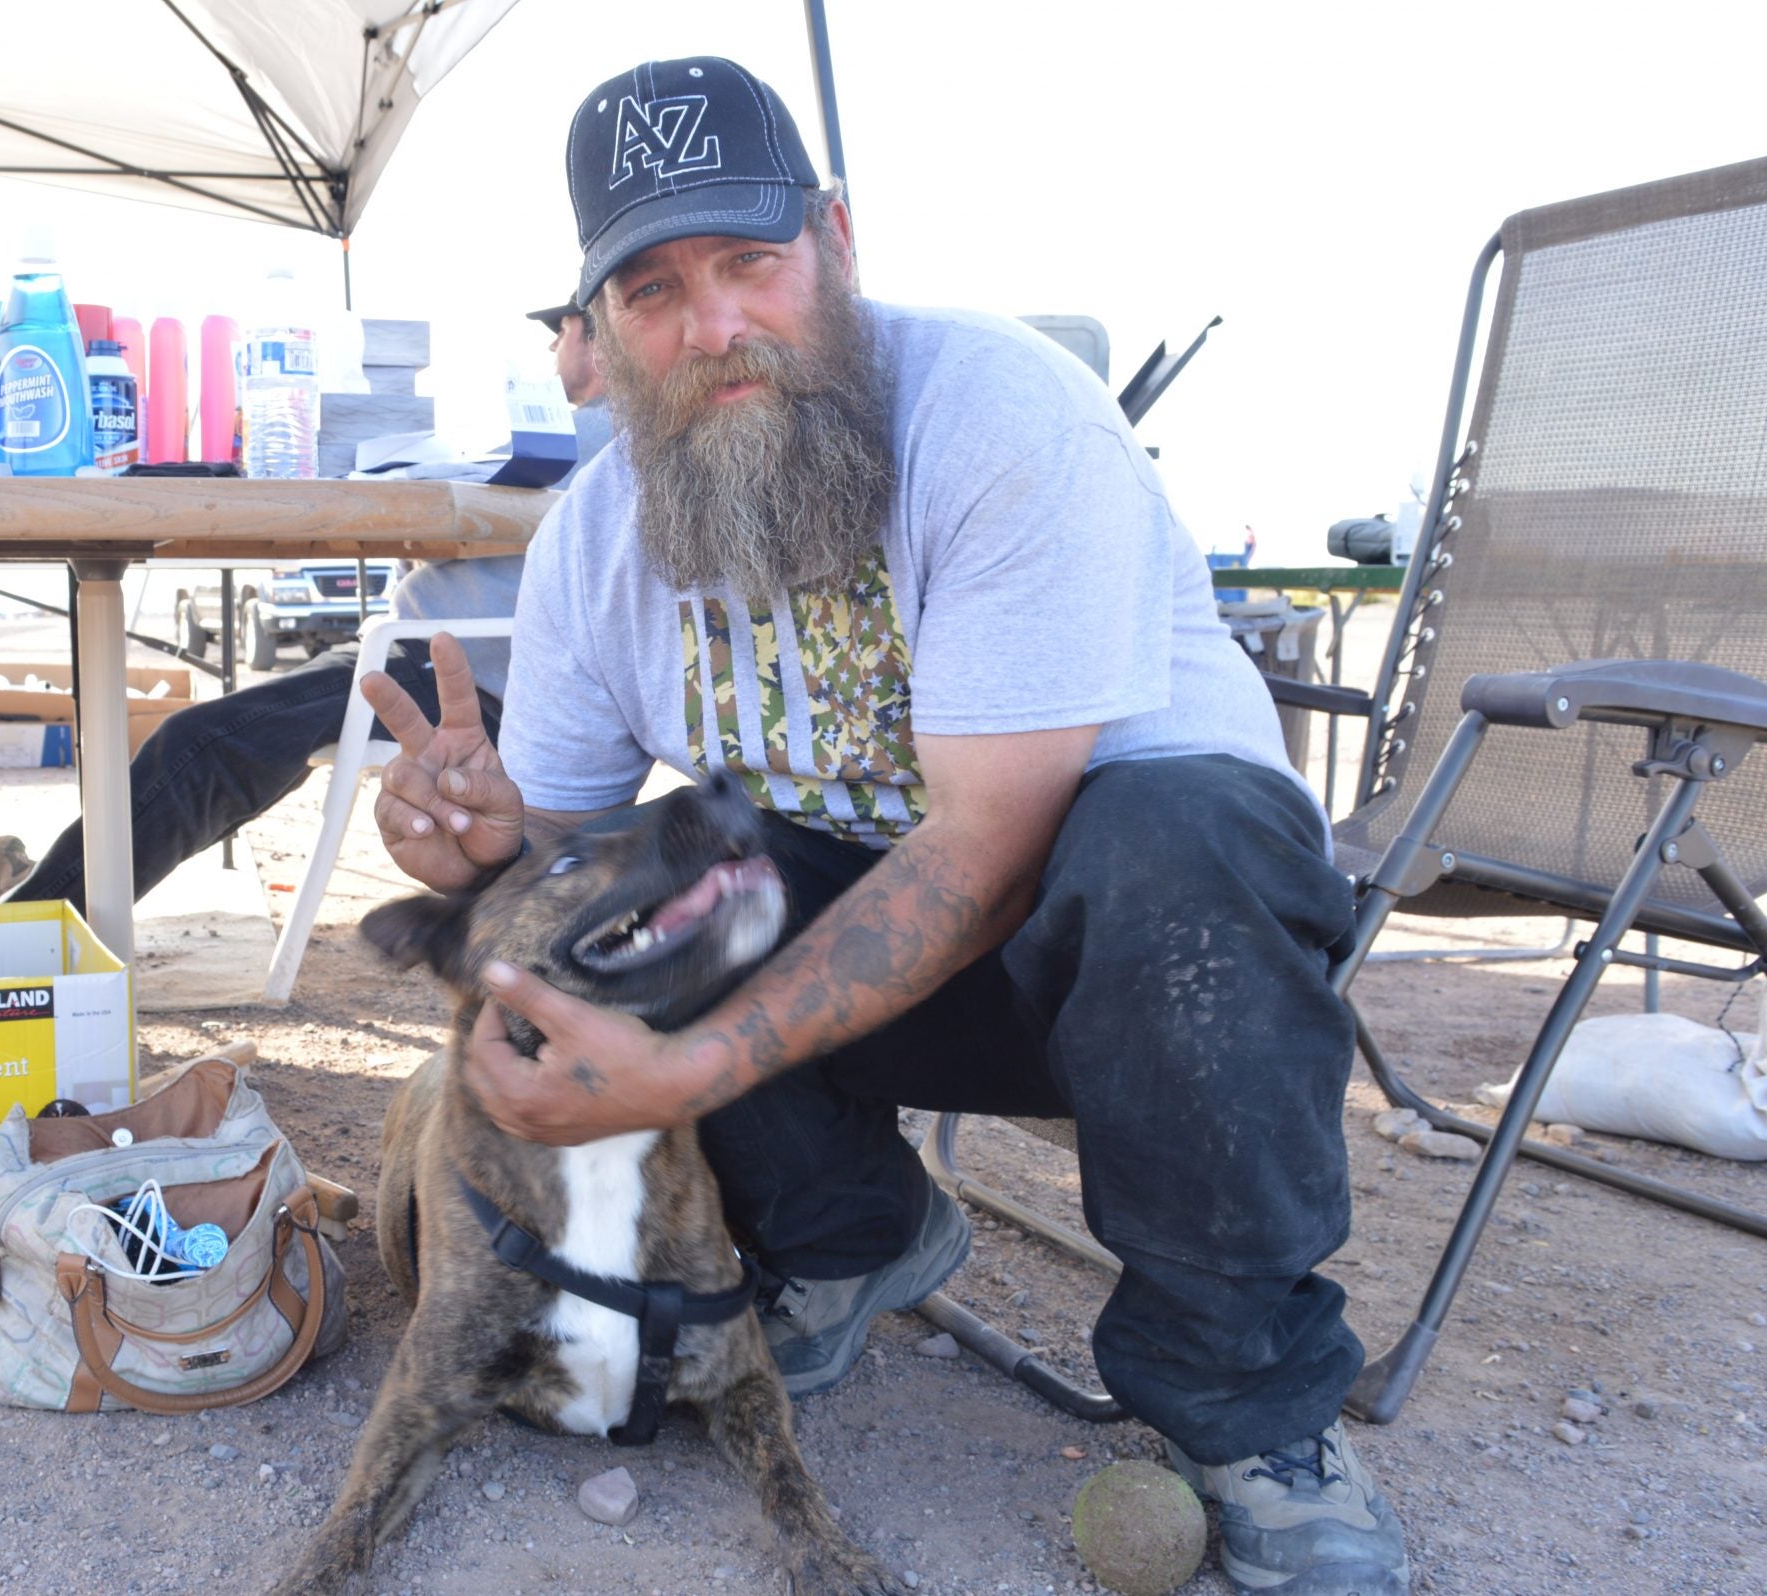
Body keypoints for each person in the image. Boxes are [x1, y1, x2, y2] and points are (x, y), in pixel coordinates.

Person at [362, 56, 1408, 1596]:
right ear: (597, 331)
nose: (715, 327)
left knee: (1174, 832)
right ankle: (855, 1238)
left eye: (749, 262)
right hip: (880, 982)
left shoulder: (997, 415)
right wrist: (477, 849)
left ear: (835, 244)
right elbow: (558, 887)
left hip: (1144, 962)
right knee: (634, 892)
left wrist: (692, 1062)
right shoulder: (600, 539)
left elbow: (984, 850)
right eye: (654, 290)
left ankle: (1248, 1401)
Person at [0, 304, 609, 911]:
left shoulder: (595, 435)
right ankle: (46, 889)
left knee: (206, 745)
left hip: (457, 678)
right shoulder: (590, 440)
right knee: (234, 742)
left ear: (589, 332)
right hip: (424, 656)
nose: (551, 351)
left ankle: (25, 924)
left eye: (559, 334)